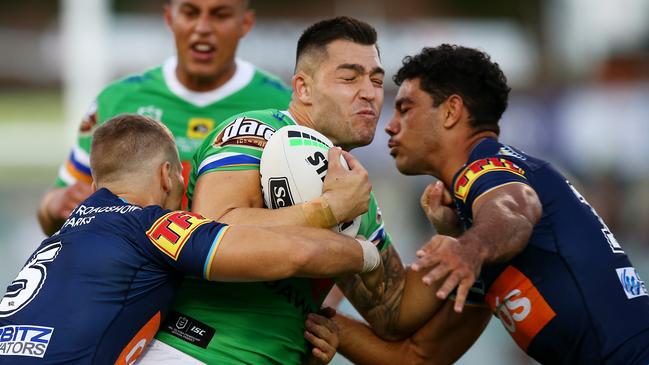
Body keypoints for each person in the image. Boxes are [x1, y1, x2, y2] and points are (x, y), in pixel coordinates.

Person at [144, 16, 449, 365]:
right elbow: (215, 231)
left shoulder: (353, 185)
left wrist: (464, 241)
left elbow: (392, 311)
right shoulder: (257, 130)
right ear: (303, 88)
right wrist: (329, 212)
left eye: (376, 80)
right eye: (349, 77)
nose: (369, 92)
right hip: (194, 351)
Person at [344, 44, 649, 364]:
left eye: (405, 109)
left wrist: (466, 250)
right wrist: (331, 327)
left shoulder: (487, 167)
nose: (390, 126)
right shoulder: (482, 229)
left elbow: (516, 211)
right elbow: (421, 357)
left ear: (450, 111)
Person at [0, 114, 381, 364]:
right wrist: (354, 238)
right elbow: (294, 255)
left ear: (98, 184)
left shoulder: (63, 237)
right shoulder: (150, 226)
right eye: (182, 184)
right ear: (168, 176)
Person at [37, 0, 292, 236]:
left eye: (220, 15)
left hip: (239, 282)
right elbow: (53, 209)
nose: (203, 28)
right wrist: (55, 206)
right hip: (140, 283)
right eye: (190, 13)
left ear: (245, 23)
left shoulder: (282, 106)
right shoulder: (117, 100)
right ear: (170, 17)